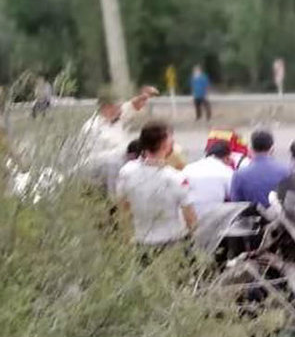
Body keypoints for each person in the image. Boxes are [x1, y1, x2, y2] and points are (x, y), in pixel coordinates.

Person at [115, 121, 197, 251]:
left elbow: (123, 209)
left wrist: (126, 240)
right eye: (171, 140)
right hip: (173, 243)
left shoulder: (126, 172)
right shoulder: (176, 178)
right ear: (164, 145)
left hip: (141, 243)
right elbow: (191, 218)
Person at [80, 85, 160, 154]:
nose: (120, 109)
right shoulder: (92, 128)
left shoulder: (118, 116)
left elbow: (133, 105)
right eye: (117, 106)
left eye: (120, 105)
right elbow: (90, 156)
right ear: (106, 107)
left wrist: (144, 96)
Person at [229, 130, 291, 207]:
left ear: (250, 148)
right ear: (272, 149)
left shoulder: (239, 175)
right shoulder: (287, 171)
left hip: (252, 217)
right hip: (280, 217)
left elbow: (236, 205)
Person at [182, 139, 236, 218]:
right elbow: (235, 196)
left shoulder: (188, 168)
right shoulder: (226, 171)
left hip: (188, 217)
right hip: (213, 220)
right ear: (227, 158)